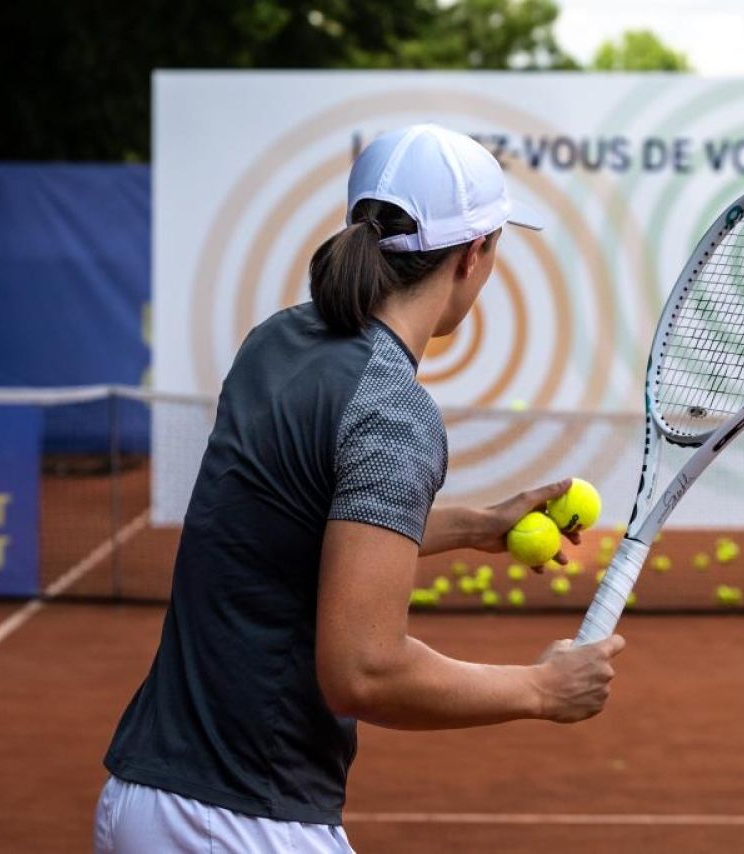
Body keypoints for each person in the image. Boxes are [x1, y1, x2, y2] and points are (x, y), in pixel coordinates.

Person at [94, 124, 625, 853]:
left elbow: (301, 517)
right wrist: (540, 689)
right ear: (474, 257)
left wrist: (477, 525)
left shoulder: (275, 342)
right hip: (243, 820)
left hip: (140, 798)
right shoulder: (393, 410)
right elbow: (364, 672)